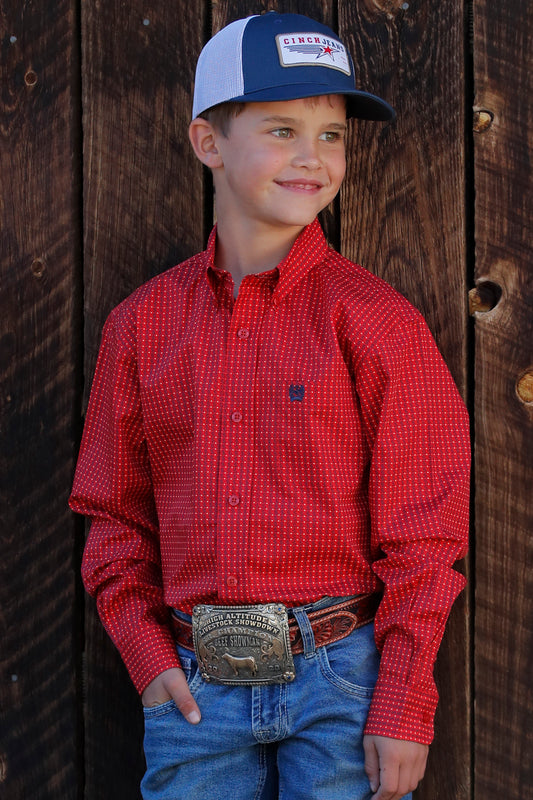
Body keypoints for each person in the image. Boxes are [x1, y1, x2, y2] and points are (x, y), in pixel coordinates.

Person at [69, 11, 470, 800]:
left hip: (342, 684)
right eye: (282, 130)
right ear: (207, 142)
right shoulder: (142, 325)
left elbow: (425, 532)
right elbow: (112, 513)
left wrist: (402, 698)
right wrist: (150, 664)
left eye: (331, 137)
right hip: (194, 693)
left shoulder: (378, 322)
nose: (312, 159)